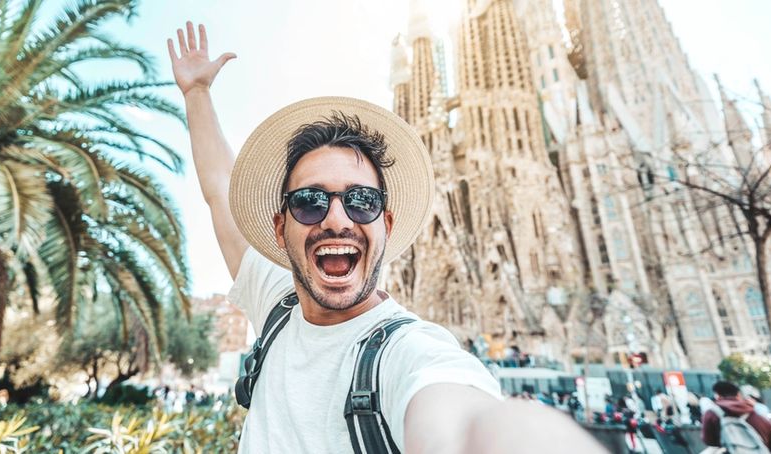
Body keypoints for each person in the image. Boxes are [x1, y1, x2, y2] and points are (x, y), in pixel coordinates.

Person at [167, 21, 605, 454]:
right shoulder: (277, 306)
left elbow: (465, 420)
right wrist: (198, 96)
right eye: (309, 201)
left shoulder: (409, 353)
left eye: (360, 200)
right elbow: (220, 192)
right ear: (281, 228)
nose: (336, 219)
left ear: (386, 225)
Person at [701, 381, 771, 454]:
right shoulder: (757, 414)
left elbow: (708, 440)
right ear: (738, 395)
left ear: (718, 396)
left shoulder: (712, 414)